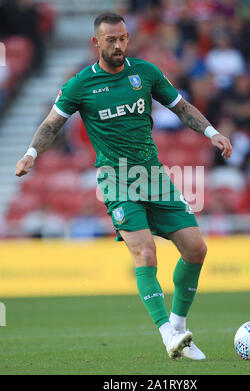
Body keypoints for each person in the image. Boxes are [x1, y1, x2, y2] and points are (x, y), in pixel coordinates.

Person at [15, 12, 232, 360]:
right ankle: (167, 336)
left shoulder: (145, 73)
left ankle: (178, 325)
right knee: (145, 253)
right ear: (96, 42)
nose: (118, 45)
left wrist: (212, 132)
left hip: (154, 176)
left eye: (123, 38)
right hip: (117, 179)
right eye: (111, 40)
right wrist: (30, 154)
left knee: (196, 249)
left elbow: (182, 107)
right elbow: (51, 125)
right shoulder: (80, 84)